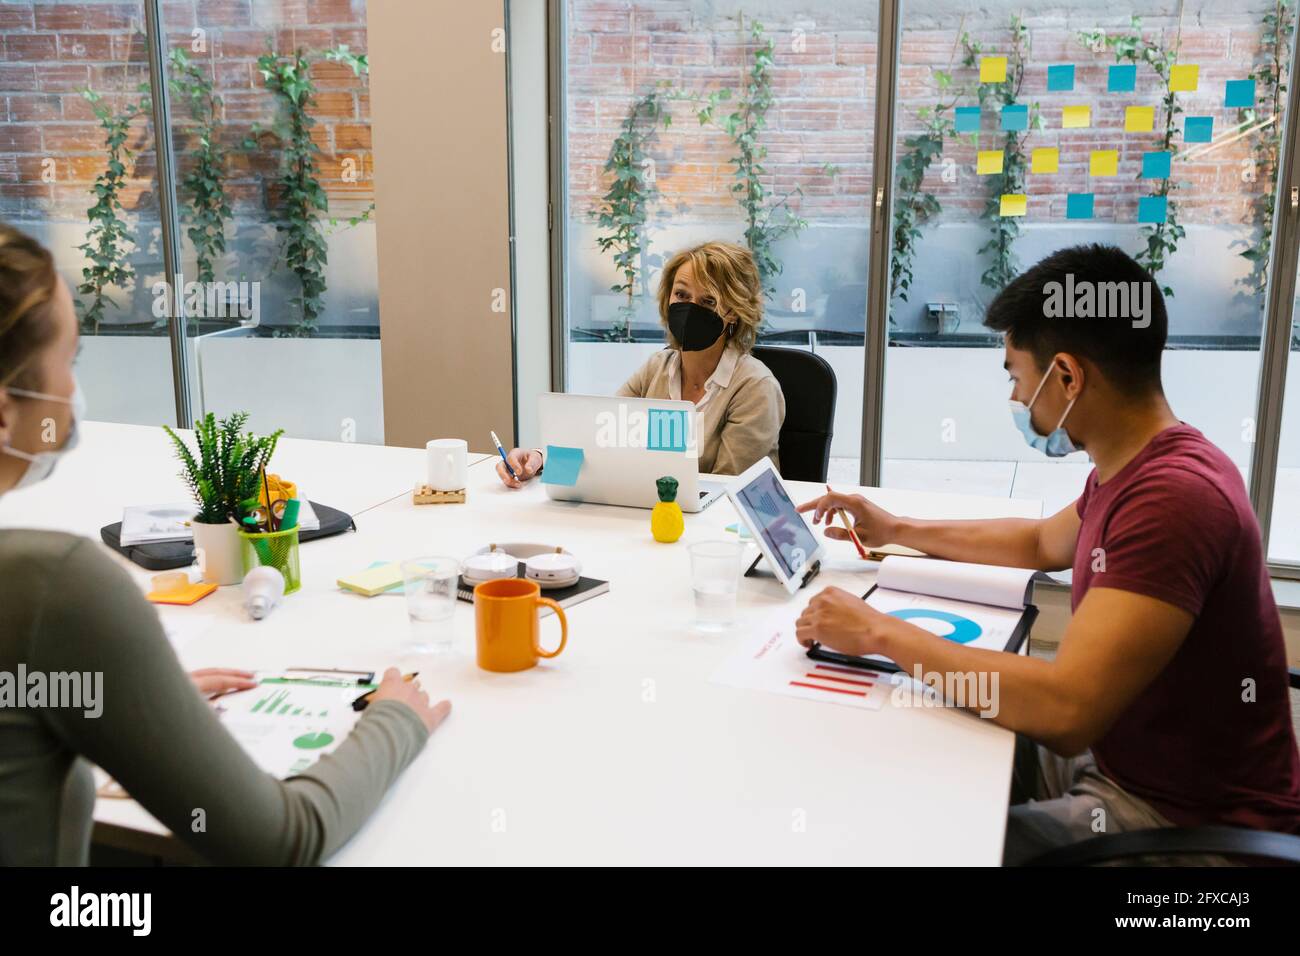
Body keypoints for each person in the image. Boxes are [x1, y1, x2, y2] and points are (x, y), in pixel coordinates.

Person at [795, 244, 1300, 865]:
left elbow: (1066, 709)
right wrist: (897, 527)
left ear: (1066, 376)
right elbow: (1039, 542)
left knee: (922, 842)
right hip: (1124, 769)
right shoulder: (1138, 465)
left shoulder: (1174, 501)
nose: (1014, 394)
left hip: (1184, 832)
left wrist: (877, 632)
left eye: (1015, 373)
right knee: (918, 744)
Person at [0, 223, 450, 865]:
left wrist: (124, 693)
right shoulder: (50, 586)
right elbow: (279, 841)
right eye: (68, 361)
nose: (73, 391)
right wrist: (396, 720)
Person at [498, 240, 785, 485]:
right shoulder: (658, 369)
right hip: (649, 519)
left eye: (708, 301)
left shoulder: (754, 387)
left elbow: (728, 490)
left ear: (734, 312)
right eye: (681, 295)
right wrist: (539, 460)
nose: (689, 309)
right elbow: (598, 439)